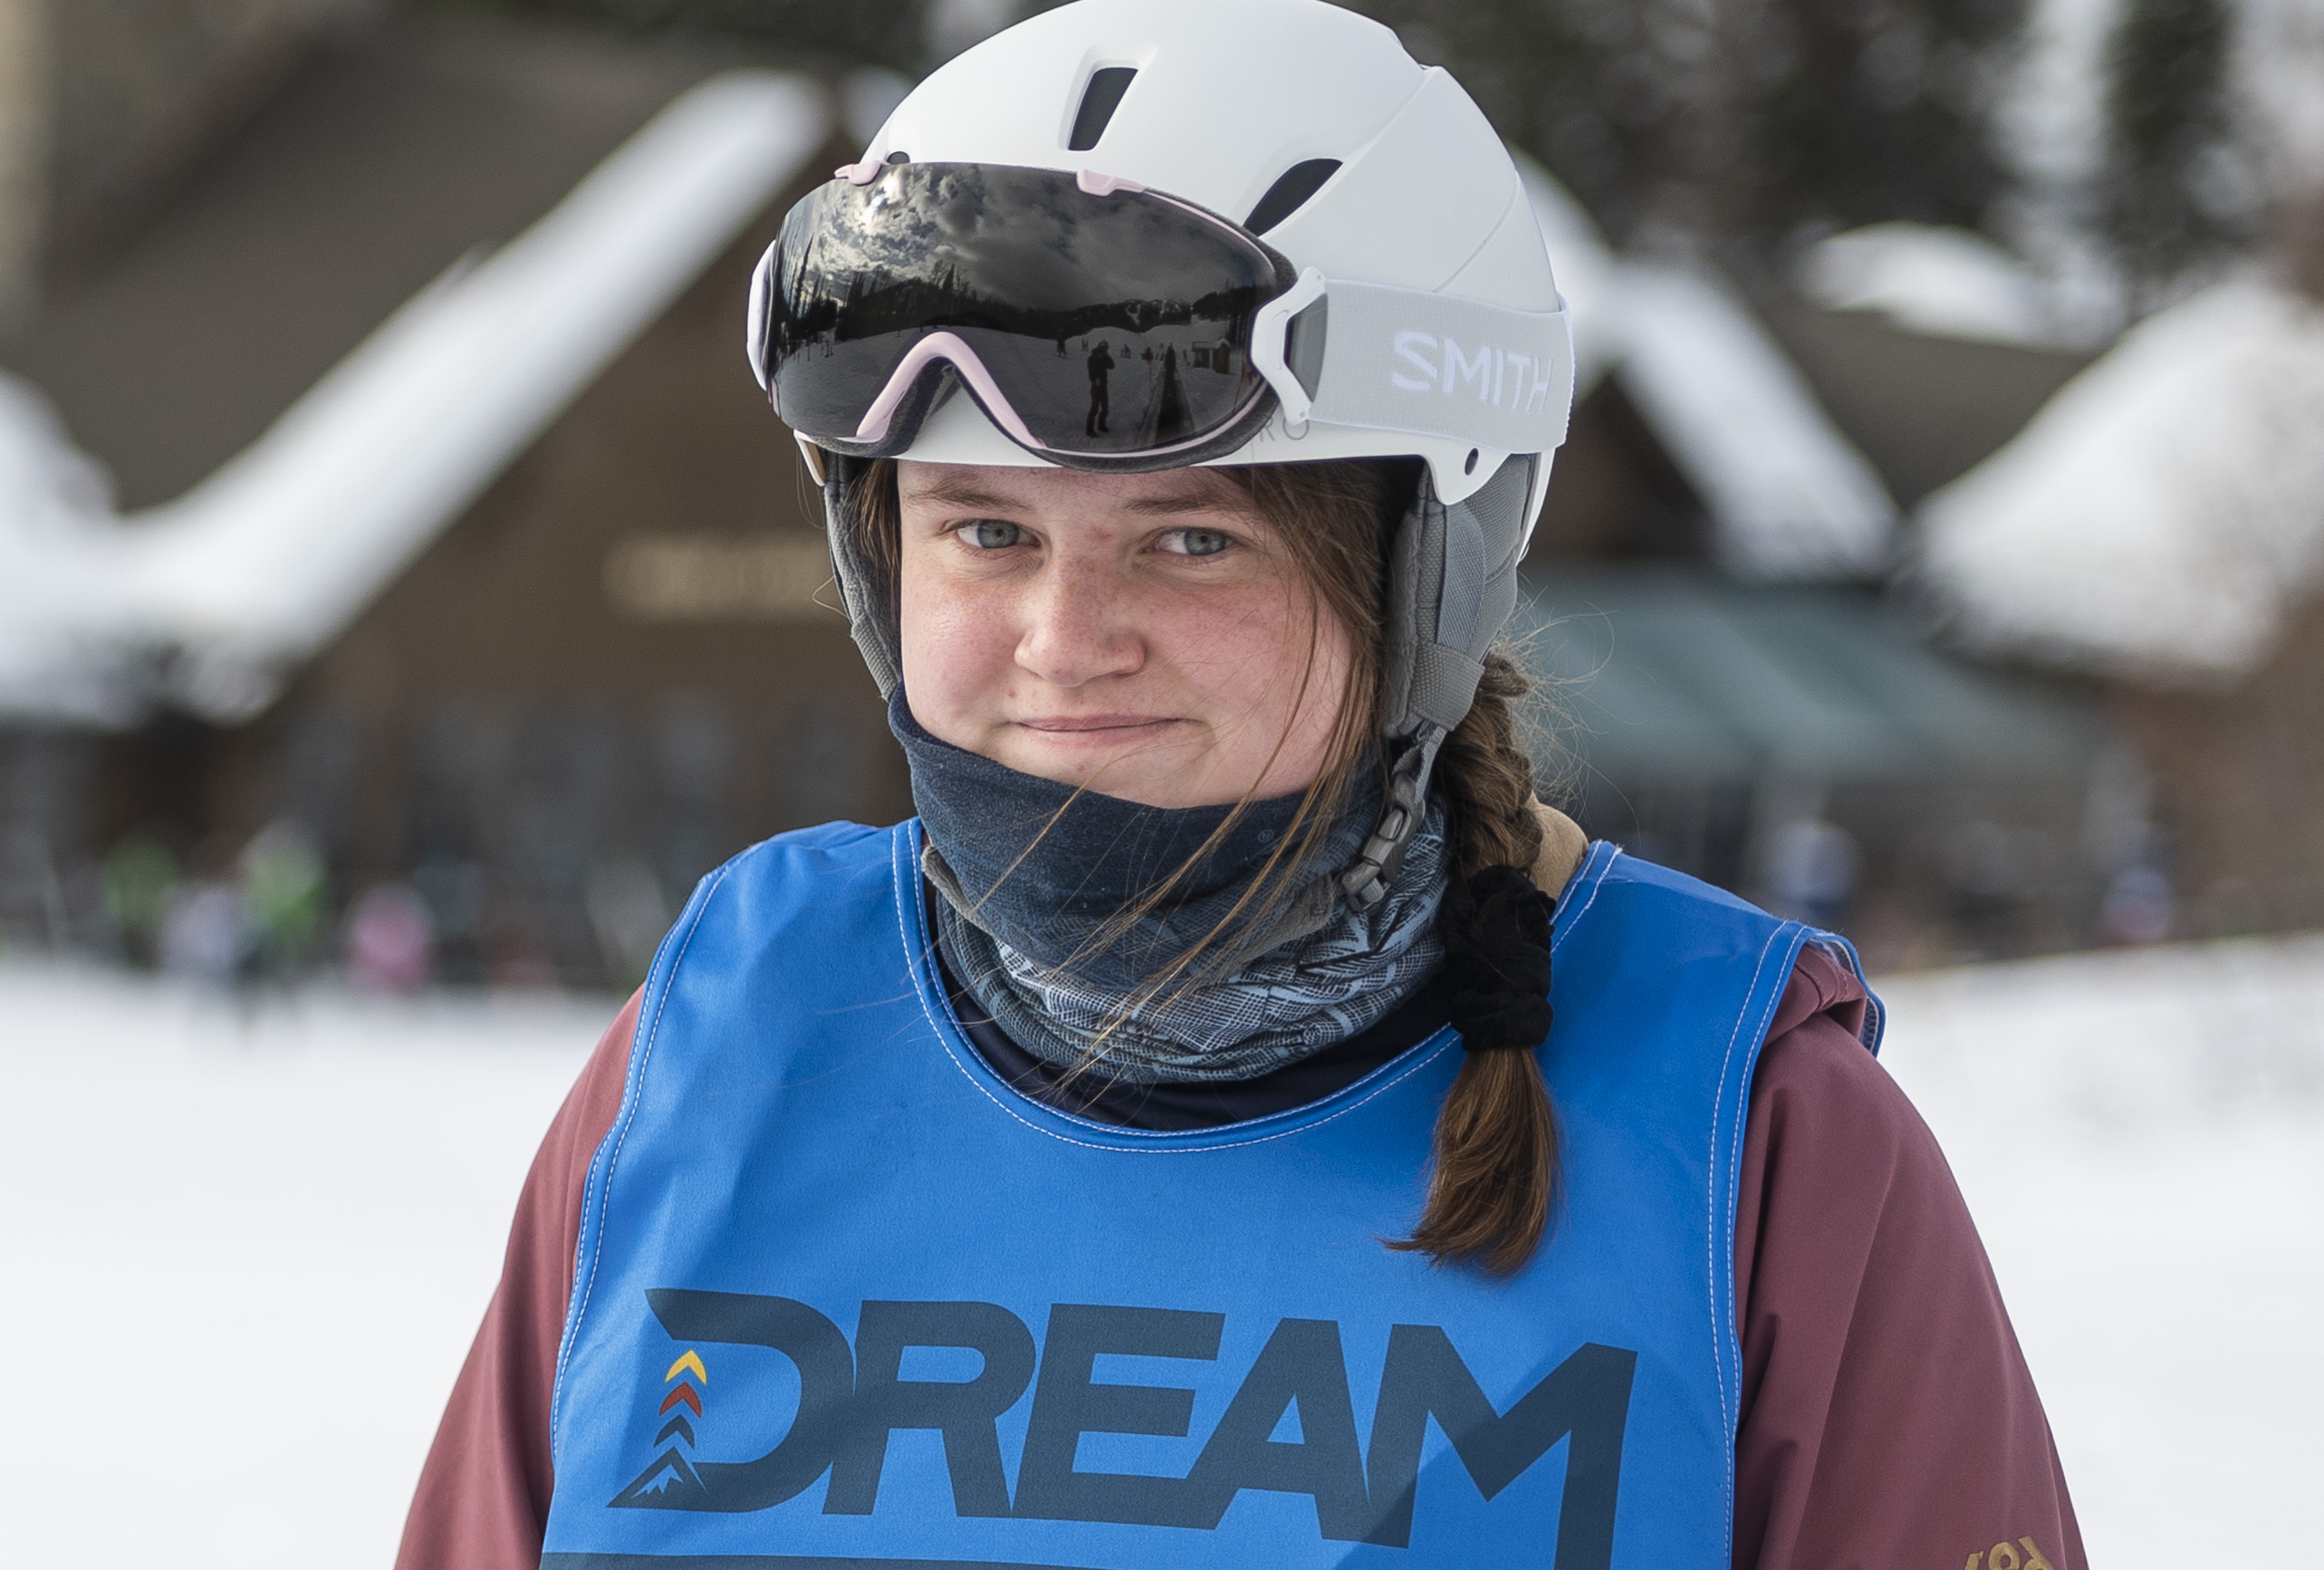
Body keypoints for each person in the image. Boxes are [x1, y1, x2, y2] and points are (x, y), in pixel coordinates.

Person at [398, 4, 2079, 1567]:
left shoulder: (1751, 1141)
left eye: (1191, 538)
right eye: (984, 529)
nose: (1064, 642)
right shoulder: (715, 1052)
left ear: (1424, 574)